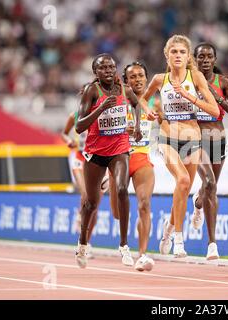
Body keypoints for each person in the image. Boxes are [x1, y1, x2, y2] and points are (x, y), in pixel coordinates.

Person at [141, 34, 219, 258]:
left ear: (188, 57)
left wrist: (189, 96)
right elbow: (142, 99)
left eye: (182, 52)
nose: (178, 55)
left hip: (192, 138)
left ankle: (167, 229)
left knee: (183, 190)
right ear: (167, 55)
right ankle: (178, 240)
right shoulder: (159, 80)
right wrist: (148, 110)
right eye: (174, 52)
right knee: (183, 181)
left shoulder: (195, 77)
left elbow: (214, 111)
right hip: (167, 138)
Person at [74, 53, 145, 269]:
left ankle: (124, 245)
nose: (108, 71)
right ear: (95, 72)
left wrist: (138, 126)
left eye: (111, 67)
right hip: (96, 152)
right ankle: (83, 243)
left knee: (123, 189)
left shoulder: (124, 88)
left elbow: (137, 104)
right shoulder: (91, 91)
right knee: (90, 203)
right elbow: (79, 127)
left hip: (120, 148)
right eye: (103, 68)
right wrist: (101, 109)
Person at [191, 42, 228, 260]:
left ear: (215, 59)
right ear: (194, 59)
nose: (205, 60)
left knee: (210, 188)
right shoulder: (187, 81)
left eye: (209, 56)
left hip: (217, 139)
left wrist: (217, 97)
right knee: (210, 183)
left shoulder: (224, 82)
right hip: (192, 140)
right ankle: (212, 244)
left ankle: (198, 202)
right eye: (201, 56)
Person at [108, 61, 160, 271]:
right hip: (118, 158)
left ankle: (143, 254)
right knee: (118, 214)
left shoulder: (154, 103)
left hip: (141, 158)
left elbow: (169, 124)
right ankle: (125, 244)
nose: (137, 79)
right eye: (132, 76)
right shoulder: (118, 101)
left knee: (144, 204)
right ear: (125, 80)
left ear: (146, 79)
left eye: (141, 76)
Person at [61, 105, 108, 259]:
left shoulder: (103, 114)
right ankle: (81, 212)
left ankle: (86, 243)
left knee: (94, 206)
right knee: (86, 195)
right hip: (79, 159)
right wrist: (69, 141)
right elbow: (64, 133)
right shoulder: (74, 116)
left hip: (97, 161)